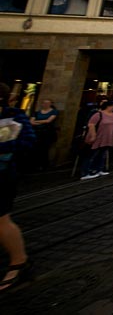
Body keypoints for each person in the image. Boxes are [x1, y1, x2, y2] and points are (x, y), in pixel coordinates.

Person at [0, 83, 36, 292]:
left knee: (1, 219)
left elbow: (28, 143)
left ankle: (19, 262)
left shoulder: (13, 116)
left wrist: (5, 143)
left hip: (3, 176)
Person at [81, 101, 113, 180]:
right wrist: (93, 135)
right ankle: (85, 172)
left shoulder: (112, 115)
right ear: (108, 106)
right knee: (92, 155)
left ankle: (98, 169)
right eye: (112, 106)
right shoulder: (98, 114)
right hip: (99, 137)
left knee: (102, 154)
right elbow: (91, 124)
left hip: (107, 138)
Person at [30, 99, 58, 171]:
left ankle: (43, 165)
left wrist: (37, 121)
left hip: (47, 133)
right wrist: (41, 122)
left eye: (47, 103)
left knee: (44, 149)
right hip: (37, 132)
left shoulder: (54, 112)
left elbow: (48, 121)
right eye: (44, 103)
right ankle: (34, 164)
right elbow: (31, 121)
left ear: (50, 104)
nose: (45, 104)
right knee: (35, 148)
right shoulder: (36, 112)